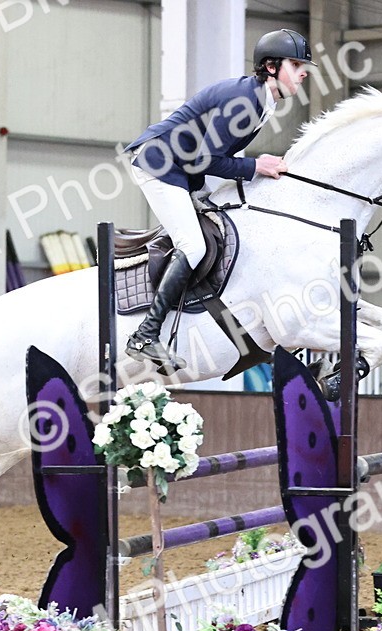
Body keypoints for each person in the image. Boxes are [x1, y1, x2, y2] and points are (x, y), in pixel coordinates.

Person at [123, 29, 313, 373]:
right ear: (271, 66)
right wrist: (256, 165)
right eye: (297, 64)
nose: (304, 72)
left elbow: (208, 156)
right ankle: (145, 334)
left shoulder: (260, 100)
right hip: (159, 162)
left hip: (182, 169)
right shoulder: (248, 100)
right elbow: (206, 159)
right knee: (193, 244)